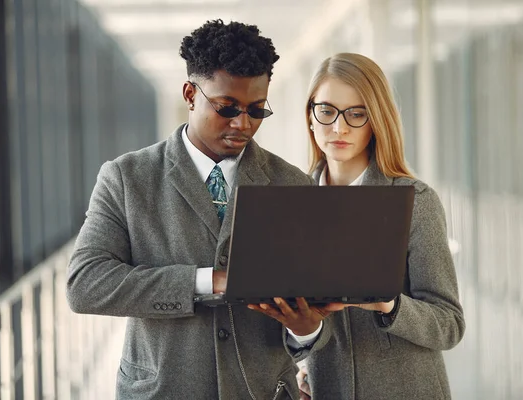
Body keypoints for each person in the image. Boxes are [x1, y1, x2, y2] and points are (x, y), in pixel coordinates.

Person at [66, 20, 331, 400]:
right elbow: (86, 285)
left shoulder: (294, 185)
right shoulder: (126, 178)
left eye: (257, 111)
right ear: (191, 94)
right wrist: (209, 281)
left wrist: (307, 329)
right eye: (227, 108)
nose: (243, 124)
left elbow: (313, 318)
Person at [297, 53, 465, 399]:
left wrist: (388, 304)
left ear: (376, 121)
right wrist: (299, 362)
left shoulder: (414, 201)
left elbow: (449, 324)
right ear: (311, 116)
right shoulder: (290, 203)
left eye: (356, 114)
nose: (339, 128)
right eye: (326, 111)